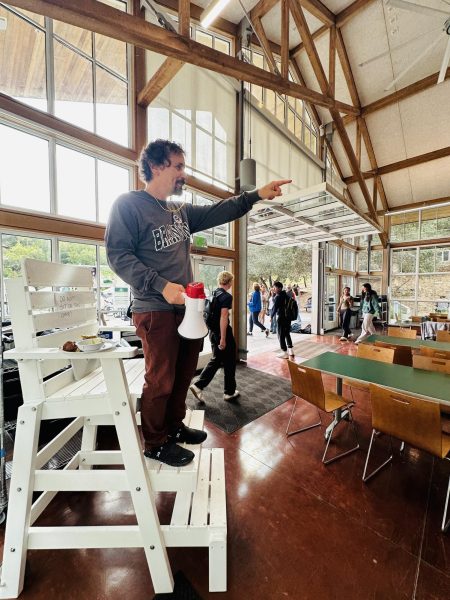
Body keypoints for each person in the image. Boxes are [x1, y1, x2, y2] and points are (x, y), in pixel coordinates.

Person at [105, 138, 291, 467]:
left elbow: (221, 210)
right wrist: (161, 286)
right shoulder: (129, 205)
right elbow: (118, 256)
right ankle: (154, 442)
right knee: (160, 378)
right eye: (178, 166)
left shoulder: (180, 211)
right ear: (156, 166)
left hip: (187, 310)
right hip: (154, 307)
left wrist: (257, 195)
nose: (183, 175)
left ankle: (174, 427)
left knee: (184, 373)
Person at [189, 271, 239, 403]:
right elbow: (223, 317)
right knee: (228, 361)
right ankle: (226, 391)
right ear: (229, 283)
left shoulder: (213, 294)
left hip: (213, 333)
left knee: (217, 359)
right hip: (223, 333)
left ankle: (202, 386)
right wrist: (223, 338)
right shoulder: (226, 297)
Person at [271, 281, 294, 359]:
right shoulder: (286, 295)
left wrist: (271, 316)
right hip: (288, 318)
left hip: (282, 318)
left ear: (279, 288)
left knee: (281, 335)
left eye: (275, 287)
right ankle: (291, 350)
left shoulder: (279, 296)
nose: (274, 289)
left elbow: (275, 307)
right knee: (287, 333)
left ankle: (284, 352)